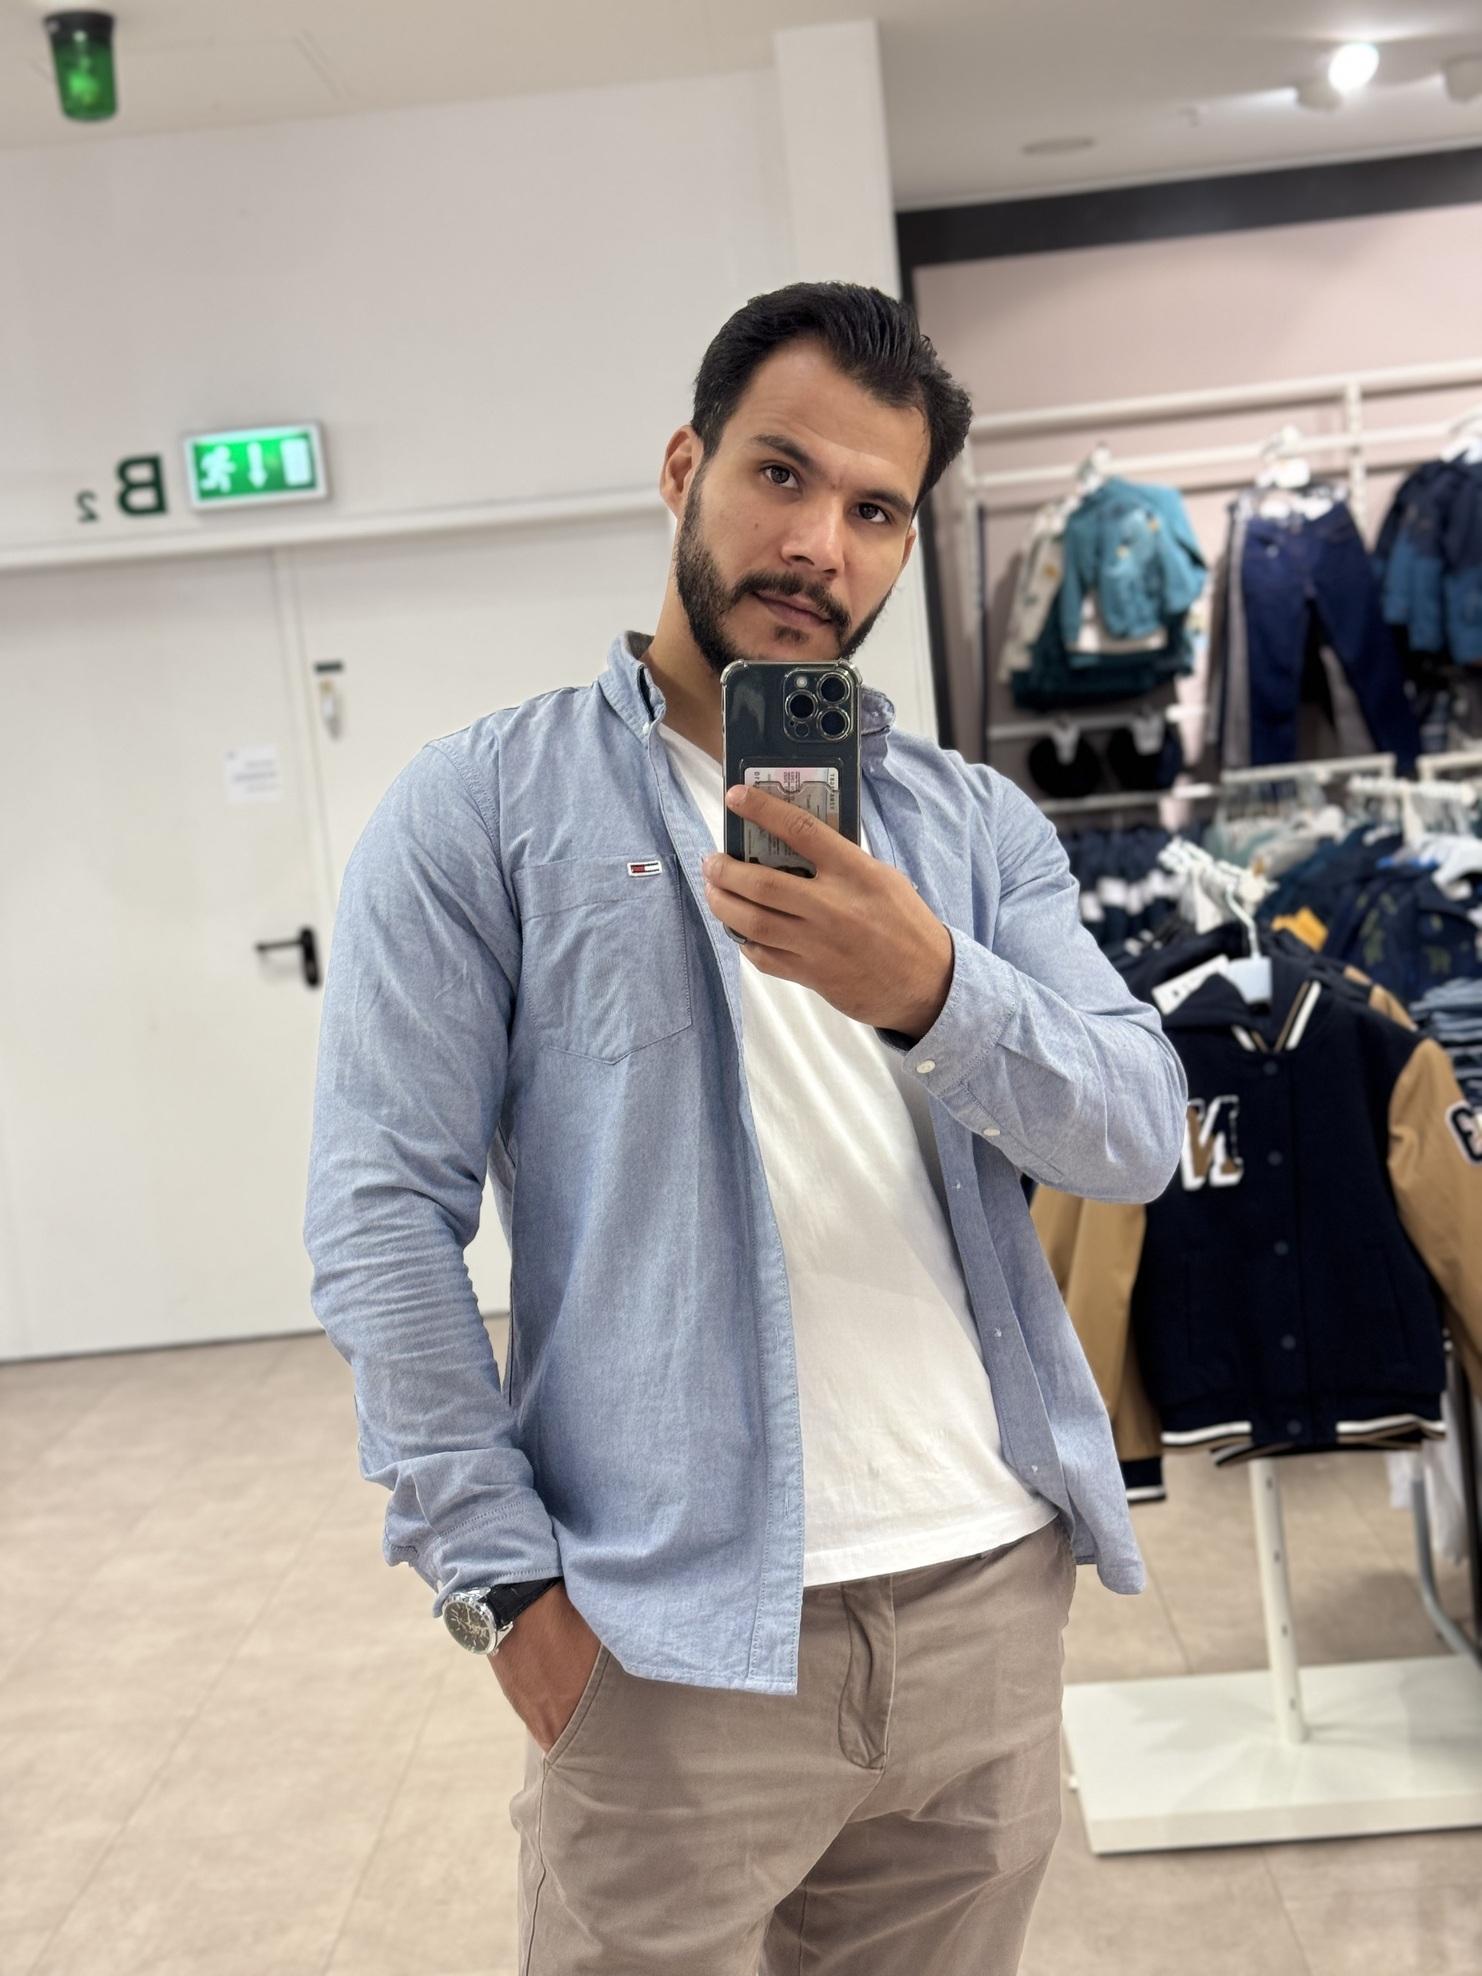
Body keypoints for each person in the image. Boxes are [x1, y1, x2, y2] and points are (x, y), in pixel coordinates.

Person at [302, 280, 1188, 1974]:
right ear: (682, 468)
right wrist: (503, 1589)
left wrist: (933, 990)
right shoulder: (480, 808)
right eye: (780, 474)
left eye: (873, 510)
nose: (816, 546)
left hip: (983, 1594)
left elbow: (1135, 1132)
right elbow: (377, 1215)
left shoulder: (972, 828)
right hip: (667, 1638)